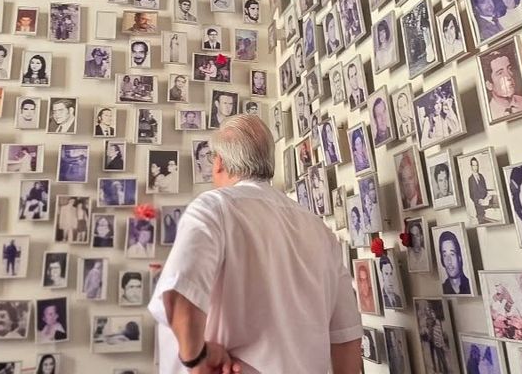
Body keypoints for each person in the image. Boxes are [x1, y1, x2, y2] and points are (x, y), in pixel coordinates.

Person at [149, 114, 362, 374]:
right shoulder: (319, 230)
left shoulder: (212, 208)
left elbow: (180, 295)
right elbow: (346, 336)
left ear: (219, 163)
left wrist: (197, 359)